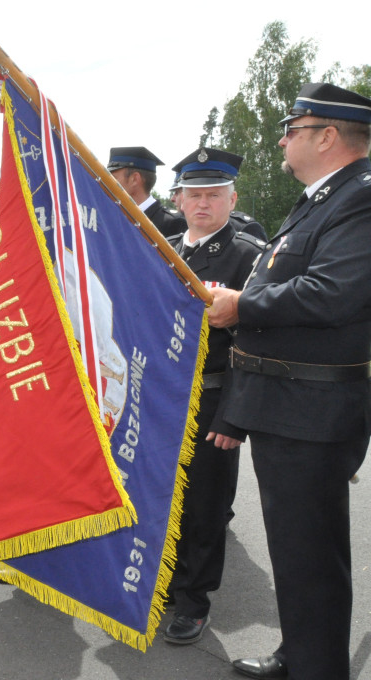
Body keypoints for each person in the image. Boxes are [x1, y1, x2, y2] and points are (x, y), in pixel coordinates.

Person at [207, 82, 371, 680]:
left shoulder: (360, 198)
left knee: (311, 553)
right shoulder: (324, 198)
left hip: (313, 408)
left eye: (292, 129)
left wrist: (240, 306)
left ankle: (318, 668)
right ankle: (303, 654)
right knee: (296, 552)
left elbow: (334, 293)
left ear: (328, 136)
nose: (281, 140)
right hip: (289, 404)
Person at [161, 148, 265, 645]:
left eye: (214, 195)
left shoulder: (248, 255)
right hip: (159, 394)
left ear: (232, 198)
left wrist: (233, 414)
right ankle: (163, 582)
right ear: (179, 199)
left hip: (211, 396)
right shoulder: (160, 248)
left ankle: (193, 600)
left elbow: (253, 343)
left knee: (204, 504)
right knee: (161, 495)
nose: (203, 204)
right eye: (194, 194)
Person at [106, 146, 186, 238]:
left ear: (134, 179)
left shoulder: (173, 224)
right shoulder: (112, 218)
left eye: (113, 178)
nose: (108, 183)